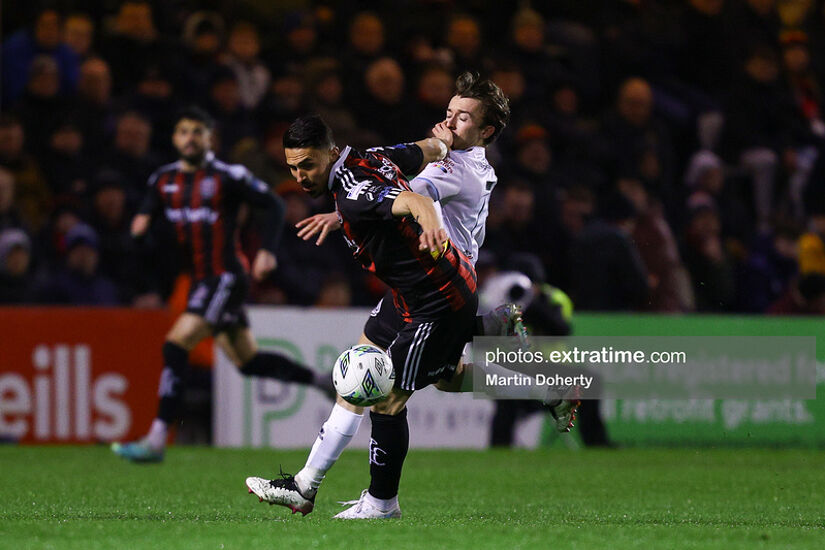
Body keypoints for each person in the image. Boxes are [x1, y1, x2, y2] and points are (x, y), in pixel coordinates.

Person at [246, 114, 476, 519]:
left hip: (437, 298)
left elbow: (413, 201)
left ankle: (382, 504)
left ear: (332, 153)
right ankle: (304, 486)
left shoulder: (356, 192)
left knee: (388, 398)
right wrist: (443, 143)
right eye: (292, 167)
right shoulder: (374, 158)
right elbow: (425, 151)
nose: (300, 177)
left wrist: (431, 223)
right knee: (359, 374)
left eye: (307, 165)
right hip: (409, 293)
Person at [111, 107, 332, 463]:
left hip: (226, 276)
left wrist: (266, 252)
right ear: (174, 138)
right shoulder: (163, 180)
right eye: (183, 132)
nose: (190, 138)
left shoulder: (229, 176)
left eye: (198, 132)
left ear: (209, 137)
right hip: (199, 278)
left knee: (176, 343)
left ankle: (155, 438)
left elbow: (274, 205)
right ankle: (319, 380)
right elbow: (144, 219)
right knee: (249, 361)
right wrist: (138, 228)